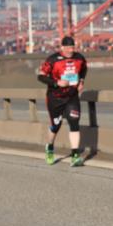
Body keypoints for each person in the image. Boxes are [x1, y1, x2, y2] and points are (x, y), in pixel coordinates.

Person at [37, 35, 88, 167]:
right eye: (68, 48)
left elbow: (83, 69)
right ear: (62, 47)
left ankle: (75, 156)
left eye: (73, 47)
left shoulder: (79, 58)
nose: (71, 51)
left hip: (72, 96)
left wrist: (81, 81)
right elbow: (41, 76)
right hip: (55, 98)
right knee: (56, 126)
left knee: (74, 122)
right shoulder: (53, 60)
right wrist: (56, 83)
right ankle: (49, 147)